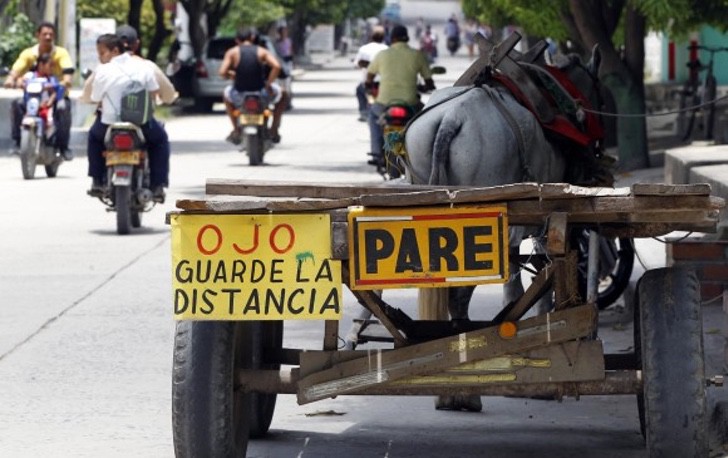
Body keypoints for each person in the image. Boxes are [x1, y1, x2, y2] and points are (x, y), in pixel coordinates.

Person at [82, 34, 165, 201]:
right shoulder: (143, 67)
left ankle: (97, 181)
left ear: (115, 50)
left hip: (109, 123)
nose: (100, 57)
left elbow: (96, 97)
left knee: (94, 138)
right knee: (160, 140)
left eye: (102, 53)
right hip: (140, 122)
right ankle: (158, 185)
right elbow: (154, 92)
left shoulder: (103, 70)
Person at [366, 24, 434, 175]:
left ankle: (377, 152)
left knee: (372, 116)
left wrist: (369, 86)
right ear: (407, 38)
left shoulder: (383, 54)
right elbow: (429, 81)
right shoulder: (417, 54)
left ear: (392, 38)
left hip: (384, 103)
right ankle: (424, 154)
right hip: (411, 103)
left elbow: (369, 76)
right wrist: (425, 86)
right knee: (425, 120)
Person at [3, 21, 74, 160]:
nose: (47, 37)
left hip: (56, 96)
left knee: (62, 108)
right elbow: (17, 69)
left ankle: (63, 146)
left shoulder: (61, 53)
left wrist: (65, 81)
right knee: (17, 104)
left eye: (50, 34)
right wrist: (11, 80)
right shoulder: (28, 54)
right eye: (44, 34)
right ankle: (18, 142)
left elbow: (68, 71)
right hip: (33, 97)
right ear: (38, 35)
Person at [219, 27, 285, 145]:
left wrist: (232, 75)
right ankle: (274, 129)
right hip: (261, 93)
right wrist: (269, 84)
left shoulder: (232, 52)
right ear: (252, 38)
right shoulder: (262, 51)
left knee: (225, 94)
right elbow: (277, 66)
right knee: (284, 93)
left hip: (239, 94)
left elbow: (222, 72)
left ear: (237, 40)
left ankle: (236, 128)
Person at [20, 53, 63, 136]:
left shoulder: (51, 79)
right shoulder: (30, 76)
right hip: (31, 105)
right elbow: (22, 81)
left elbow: (54, 91)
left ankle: (51, 138)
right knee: (19, 108)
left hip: (45, 106)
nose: (51, 68)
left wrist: (49, 102)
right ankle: (18, 137)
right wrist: (21, 83)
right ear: (41, 64)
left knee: (50, 121)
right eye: (49, 65)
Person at [353, 25, 387, 122]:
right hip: (384, 83)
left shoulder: (364, 49)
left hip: (369, 83)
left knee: (359, 90)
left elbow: (357, 64)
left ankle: (364, 112)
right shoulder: (387, 49)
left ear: (371, 36)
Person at [275, 25, 294, 110]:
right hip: (280, 62)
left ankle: (288, 102)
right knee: (280, 84)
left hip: (287, 62)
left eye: (285, 32)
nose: (284, 34)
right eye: (282, 32)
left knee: (288, 84)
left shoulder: (288, 41)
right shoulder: (277, 43)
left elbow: (290, 51)